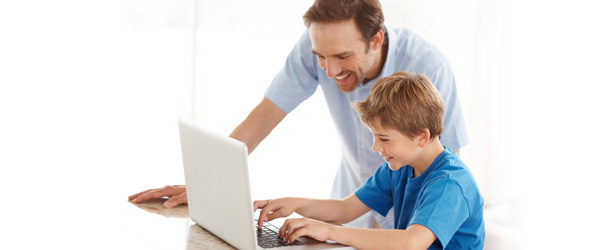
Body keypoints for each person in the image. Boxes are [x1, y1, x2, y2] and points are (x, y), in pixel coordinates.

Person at [128, 0, 468, 229]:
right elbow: (266, 114)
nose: (330, 70)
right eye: (321, 56)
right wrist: (206, 181)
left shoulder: (429, 69)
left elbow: (444, 165)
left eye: (342, 56)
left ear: (376, 39)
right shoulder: (317, 48)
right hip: (350, 203)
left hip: (414, 219)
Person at [254, 71, 485, 250]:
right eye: (374, 136)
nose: (375, 147)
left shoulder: (450, 183)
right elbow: (346, 209)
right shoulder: (400, 166)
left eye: (383, 138)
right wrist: (295, 204)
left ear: (421, 136)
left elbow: (411, 243)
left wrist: (329, 232)